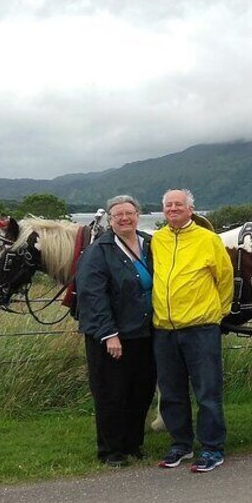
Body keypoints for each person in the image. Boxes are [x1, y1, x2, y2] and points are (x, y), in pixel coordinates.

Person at [151, 188, 234, 473]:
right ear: (164, 211)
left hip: (201, 328)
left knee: (207, 392)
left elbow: (225, 278)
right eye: (169, 205)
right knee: (172, 392)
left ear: (190, 209)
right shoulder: (157, 240)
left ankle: (212, 448)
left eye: (179, 205)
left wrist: (217, 314)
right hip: (164, 328)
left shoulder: (207, 239)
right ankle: (181, 444)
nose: (173, 209)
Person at [75, 195, 156, 467]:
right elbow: (92, 295)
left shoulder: (150, 244)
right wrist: (109, 334)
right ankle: (111, 451)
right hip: (112, 337)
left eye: (129, 213)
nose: (124, 218)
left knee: (140, 391)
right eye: (118, 214)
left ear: (138, 215)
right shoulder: (99, 251)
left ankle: (134, 444)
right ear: (110, 220)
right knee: (111, 393)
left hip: (145, 333)